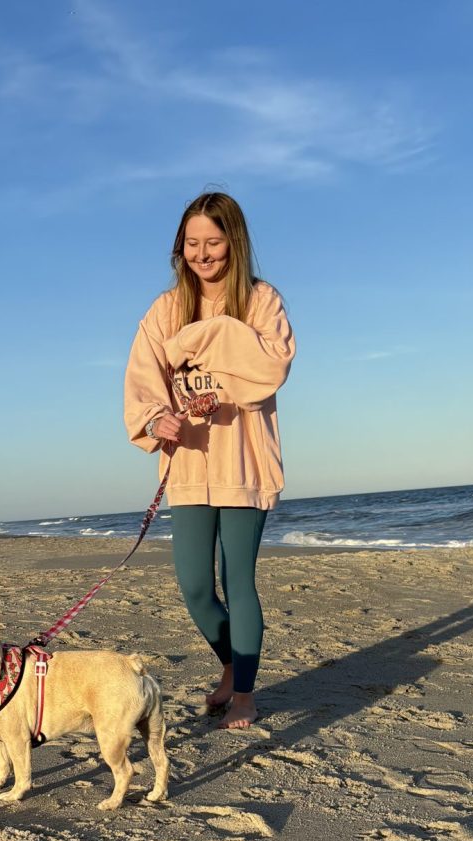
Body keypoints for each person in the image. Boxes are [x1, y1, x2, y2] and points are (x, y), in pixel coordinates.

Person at [123, 192, 295, 729]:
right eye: (192, 243)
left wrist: (206, 333)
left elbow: (271, 369)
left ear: (233, 243)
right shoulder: (164, 309)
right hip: (190, 465)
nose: (202, 254)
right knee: (196, 587)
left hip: (243, 461)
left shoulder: (261, 301)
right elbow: (143, 377)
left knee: (237, 581)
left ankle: (244, 695)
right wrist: (157, 418)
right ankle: (230, 665)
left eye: (213, 242)